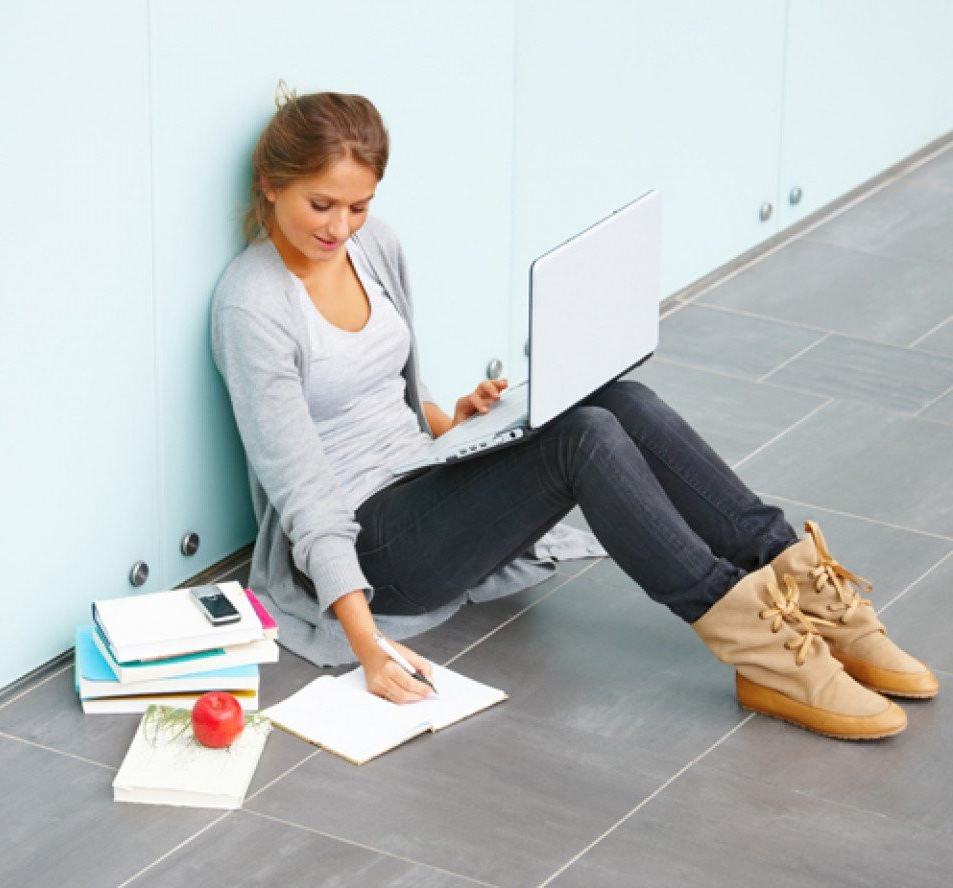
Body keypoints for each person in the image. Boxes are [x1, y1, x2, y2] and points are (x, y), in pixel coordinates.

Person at [211, 85, 938, 741]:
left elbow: (391, 395)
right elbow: (305, 496)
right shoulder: (253, 304)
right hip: (371, 549)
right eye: (322, 205)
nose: (341, 226)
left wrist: (458, 426)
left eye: (359, 205)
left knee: (614, 396)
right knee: (582, 439)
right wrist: (368, 645)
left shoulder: (374, 246)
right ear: (273, 184)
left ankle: (808, 588)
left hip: (422, 480)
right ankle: (766, 654)